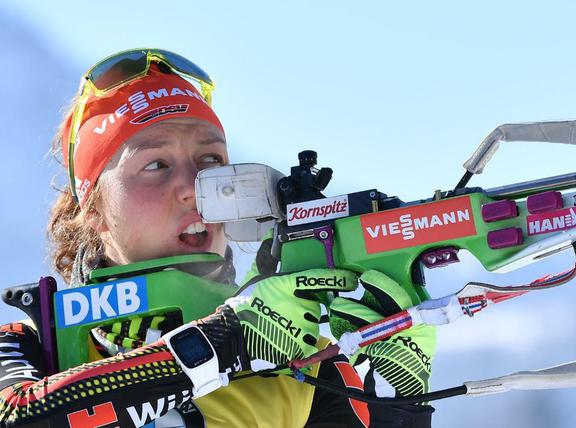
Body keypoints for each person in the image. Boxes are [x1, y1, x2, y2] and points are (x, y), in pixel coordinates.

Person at [0, 49, 436, 427]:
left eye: (211, 160)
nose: (196, 187)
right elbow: (18, 417)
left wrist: (397, 400)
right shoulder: (26, 345)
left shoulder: (304, 363)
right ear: (92, 211)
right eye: (156, 165)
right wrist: (224, 341)